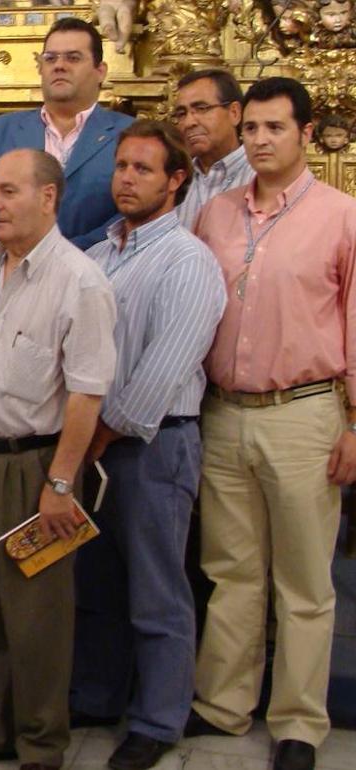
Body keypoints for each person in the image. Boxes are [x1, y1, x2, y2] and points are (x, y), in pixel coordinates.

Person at [188, 76, 356, 770]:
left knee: (303, 581)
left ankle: (296, 722)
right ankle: (224, 705)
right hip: (226, 411)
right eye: (251, 128)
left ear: (305, 134)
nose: (259, 140)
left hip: (305, 412)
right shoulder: (217, 214)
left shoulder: (342, 216)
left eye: (275, 128)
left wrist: (354, 423)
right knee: (230, 570)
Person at [0, 148, 116, 770]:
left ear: (49, 198)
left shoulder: (80, 281)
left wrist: (60, 483)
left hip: (37, 468)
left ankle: (41, 744)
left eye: (10, 191)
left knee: (36, 616)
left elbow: (88, 392)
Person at [71, 120, 226, 770]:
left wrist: (98, 433)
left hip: (152, 446)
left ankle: (159, 719)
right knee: (97, 583)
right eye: (122, 167)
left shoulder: (188, 260)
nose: (126, 179)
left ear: (175, 180)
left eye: (142, 169)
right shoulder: (100, 255)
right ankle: (99, 695)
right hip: (91, 445)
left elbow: (165, 369)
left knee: (157, 589)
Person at [0, 17, 133, 254]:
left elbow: (128, 212)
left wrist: (60, 258)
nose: (59, 66)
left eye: (73, 58)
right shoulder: (1, 131)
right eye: (50, 58)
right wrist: (10, 254)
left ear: (100, 71)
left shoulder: (128, 135)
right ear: (40, 68)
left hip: (96, 271)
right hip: (7, 273)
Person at [171, 69, 252, 230]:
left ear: (234, 113)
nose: (188, 123)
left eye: (201, 108)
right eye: (181, 114)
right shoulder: (176, 181)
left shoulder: (260, 176)